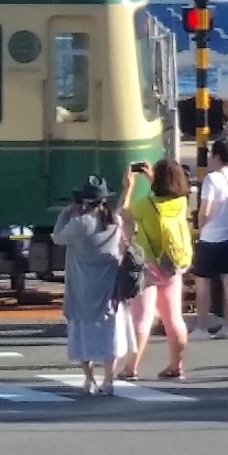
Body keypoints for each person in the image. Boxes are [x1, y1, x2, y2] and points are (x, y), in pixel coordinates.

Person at [51, 176, 138, 395]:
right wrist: (129, 188)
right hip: (109, 288)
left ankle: (89, 378)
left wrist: (64, 213)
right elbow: (122, 210)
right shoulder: (113, 221)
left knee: (82, 334)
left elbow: (57, 237)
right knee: (110, 335)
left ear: (84, 202)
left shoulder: (80, 223)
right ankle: (109, 379)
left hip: (81, 288)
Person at [123, 159, 193, 380]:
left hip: (148, 265)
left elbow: (122, 217)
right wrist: (155, 178)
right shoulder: (181, 202)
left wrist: (129, 187)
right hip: (172, 265)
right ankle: (176, 365)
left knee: (142, 319)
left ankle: (130, 368)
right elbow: (165, 195)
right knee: (174, 319)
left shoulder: (145, 204)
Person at [194, 135, 228, 338]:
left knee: (202, 282)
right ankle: (227, 326)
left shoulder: (211, 179)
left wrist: (200, 226)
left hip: (210, 238)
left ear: (217, 156)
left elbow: (204, 211)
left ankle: (202, 327)